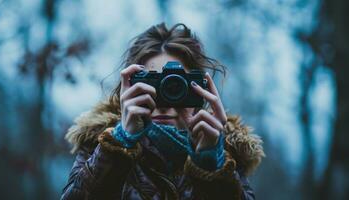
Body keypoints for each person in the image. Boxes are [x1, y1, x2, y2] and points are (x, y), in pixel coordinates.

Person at [60, 23, 265, 200]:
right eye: (155, 85)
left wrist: (210, 164)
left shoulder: (227, 156)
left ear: (199, 91)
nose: (165, 102)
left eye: (177, 86)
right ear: (130, 88)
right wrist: (120, 143)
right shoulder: (98, 147)